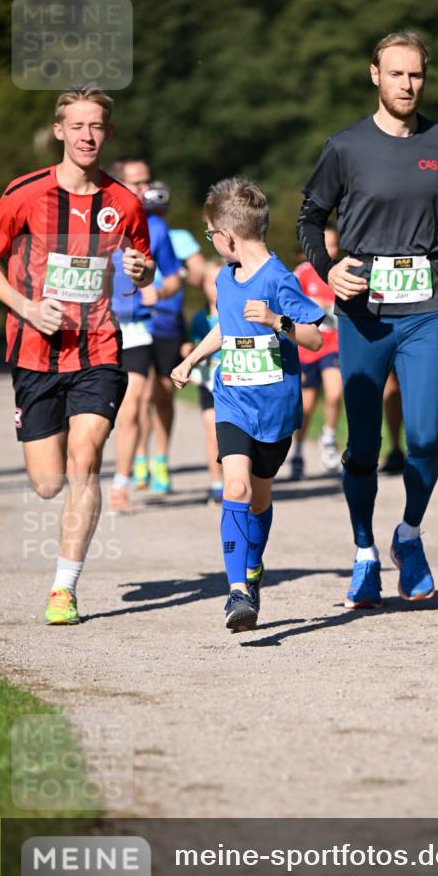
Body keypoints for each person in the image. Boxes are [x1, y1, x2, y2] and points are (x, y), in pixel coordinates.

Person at [298, 30, 438, 608]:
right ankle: (364, 553)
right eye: (396, 73)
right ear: (375, 75)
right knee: (362, 446)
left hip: (425, 306)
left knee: (425, 438)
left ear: (426, 77)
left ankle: (410, 535)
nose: (407, 84)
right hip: (363, 312)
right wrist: (328, 268)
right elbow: (309, 218)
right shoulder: (344, 147)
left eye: (416, 75)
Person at [0, 84, 153, 623]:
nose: (86, 135)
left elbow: (143, 264)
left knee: (86, 459)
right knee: (48, 481)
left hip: (98, 348)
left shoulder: (124, 202)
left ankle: (64, 588)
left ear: (107, 133)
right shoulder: (25, 193)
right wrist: (25, 307)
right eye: (77, 126)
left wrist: (141, 271)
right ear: (60, 131)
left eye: (96, 126)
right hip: (34, 351)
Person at [171, 178, 323, 633]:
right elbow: (225, 328)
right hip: (232, 401)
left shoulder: (280, 279)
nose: (212, 243)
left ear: (228, 236)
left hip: (275, 411)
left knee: (259, 498)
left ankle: (252, 567)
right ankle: (238, 591)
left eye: (211, 235)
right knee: (233, 488)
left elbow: (315, 337)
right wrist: (194, 357)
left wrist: (279, 321)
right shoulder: (223, 277)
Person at [106, 160, 181, 513]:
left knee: (138, 399)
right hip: (98, 325)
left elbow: (174, 277)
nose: (144, 189)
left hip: (139, 326)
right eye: (136, 183)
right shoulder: (97, 221)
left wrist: (161, 292)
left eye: (147, 181)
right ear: (117, 184)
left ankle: (123, 482)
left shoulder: (156, 228)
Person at [133, 180, 207, 495]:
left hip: (168, 322)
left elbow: (200, 272)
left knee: (163, 394)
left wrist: (173, 278)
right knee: (140, 394)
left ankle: (160, 458)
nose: (156, 216)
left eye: (160, 210)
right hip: (138, 323)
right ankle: (139, 458)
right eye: (151, 210)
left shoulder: (177, 237)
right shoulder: (133, 234)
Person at [289, 221, 343, 480]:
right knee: (306, 407)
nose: (330, 250)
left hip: (332, 344)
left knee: (335, 392)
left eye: (334, 245)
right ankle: (298, 450)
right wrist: (313, 305)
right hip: (307, 347)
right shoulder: (302, 273)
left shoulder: (342, 272)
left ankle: (329, 438)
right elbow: (288, 303)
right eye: (326, 245)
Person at [188, 257, 225, 503]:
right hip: (208, 384)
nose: (215, 288)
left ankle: (240, 482)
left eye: (220, 282)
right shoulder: (199, 320)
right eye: (211, 282)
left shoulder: (240, 314)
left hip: (235, 383)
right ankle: (216, 485)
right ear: (202, 285)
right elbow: (193, 348)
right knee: (213, 435)